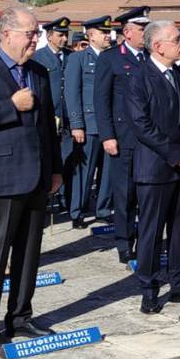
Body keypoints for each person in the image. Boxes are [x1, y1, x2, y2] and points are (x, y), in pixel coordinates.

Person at [0, 6, 63, 351]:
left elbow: (48, 126)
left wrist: (56, 168)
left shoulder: (39, 72)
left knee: (29, 254)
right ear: (6, 35)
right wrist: (10, 105)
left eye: (37, 33)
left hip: (36, 176)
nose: (36, 39)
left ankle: (20, 317)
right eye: (29, 33)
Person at [125, 20, 180, 313]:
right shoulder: (138, 77)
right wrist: (175, 153)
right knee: (151, 233)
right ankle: (149, 289)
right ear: (158, 46)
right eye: (176, 39)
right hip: (155, 167)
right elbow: (141, 125)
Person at [94, 7, 150, 264]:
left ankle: (147, 240)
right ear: (127, 32)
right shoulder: (111, 58)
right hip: (123, 135)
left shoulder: (151, 57)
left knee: (147, 193)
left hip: (149, 137)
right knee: (125, 193)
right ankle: (125, 243)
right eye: (141, 29)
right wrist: (107, 135)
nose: (146, 33)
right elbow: (101, 100)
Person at [65, 16, 114, 229]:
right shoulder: (78, 59)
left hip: (110, 123)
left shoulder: (112, 57)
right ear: (91, 35)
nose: (107, 36)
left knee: (108, 170)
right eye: (103, 32)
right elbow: (72, 92)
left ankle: (103, 209)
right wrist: (77, 123)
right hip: (90, 121)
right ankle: (77, 211)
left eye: (108, 32)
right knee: (84, 172)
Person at [31, 17, 73, 211]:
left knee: (68, 159)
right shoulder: (38, 58)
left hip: (68, 117)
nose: (64, 39)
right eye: (60, 35)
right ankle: (49, 198)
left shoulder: (71, 56)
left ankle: (65, 198)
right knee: (51, 159)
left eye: (66, 34)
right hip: (50, 116)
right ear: (49, 36)